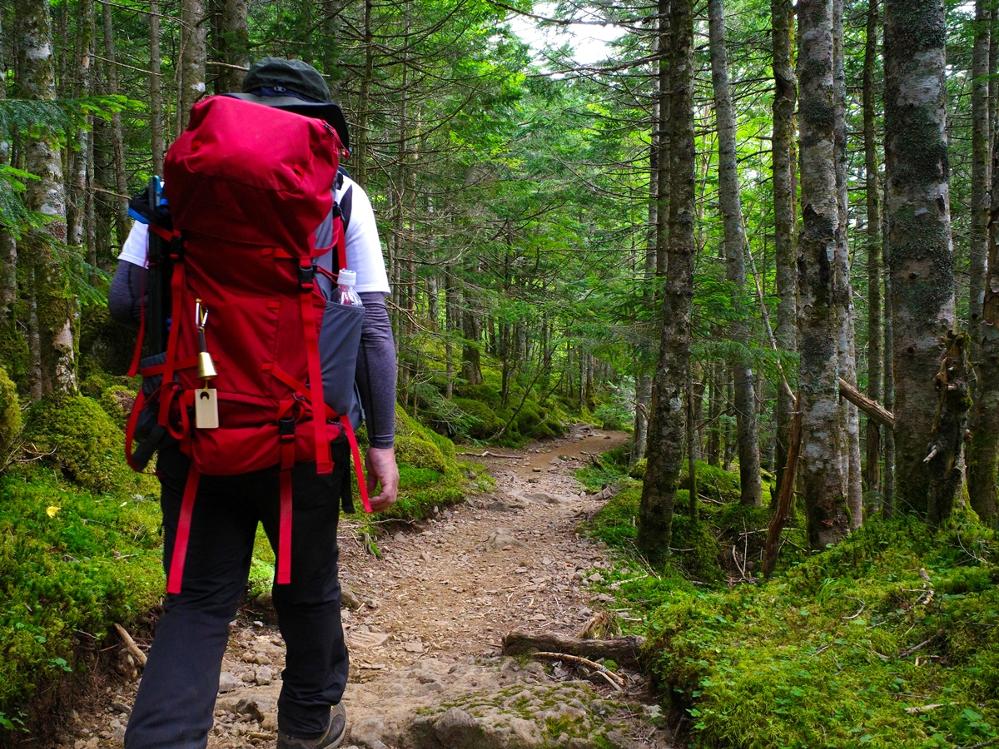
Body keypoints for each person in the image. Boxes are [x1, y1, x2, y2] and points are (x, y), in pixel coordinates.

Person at [108, 58, 399, 749]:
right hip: (302, 433)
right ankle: (307, 726)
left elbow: (123, 300)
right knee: (307, 585)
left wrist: (201, 330)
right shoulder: (342, 196)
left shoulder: (177, 188)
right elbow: (374, 329)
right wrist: (380, 440)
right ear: (320, 123)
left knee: (200, 598)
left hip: (197, 417)